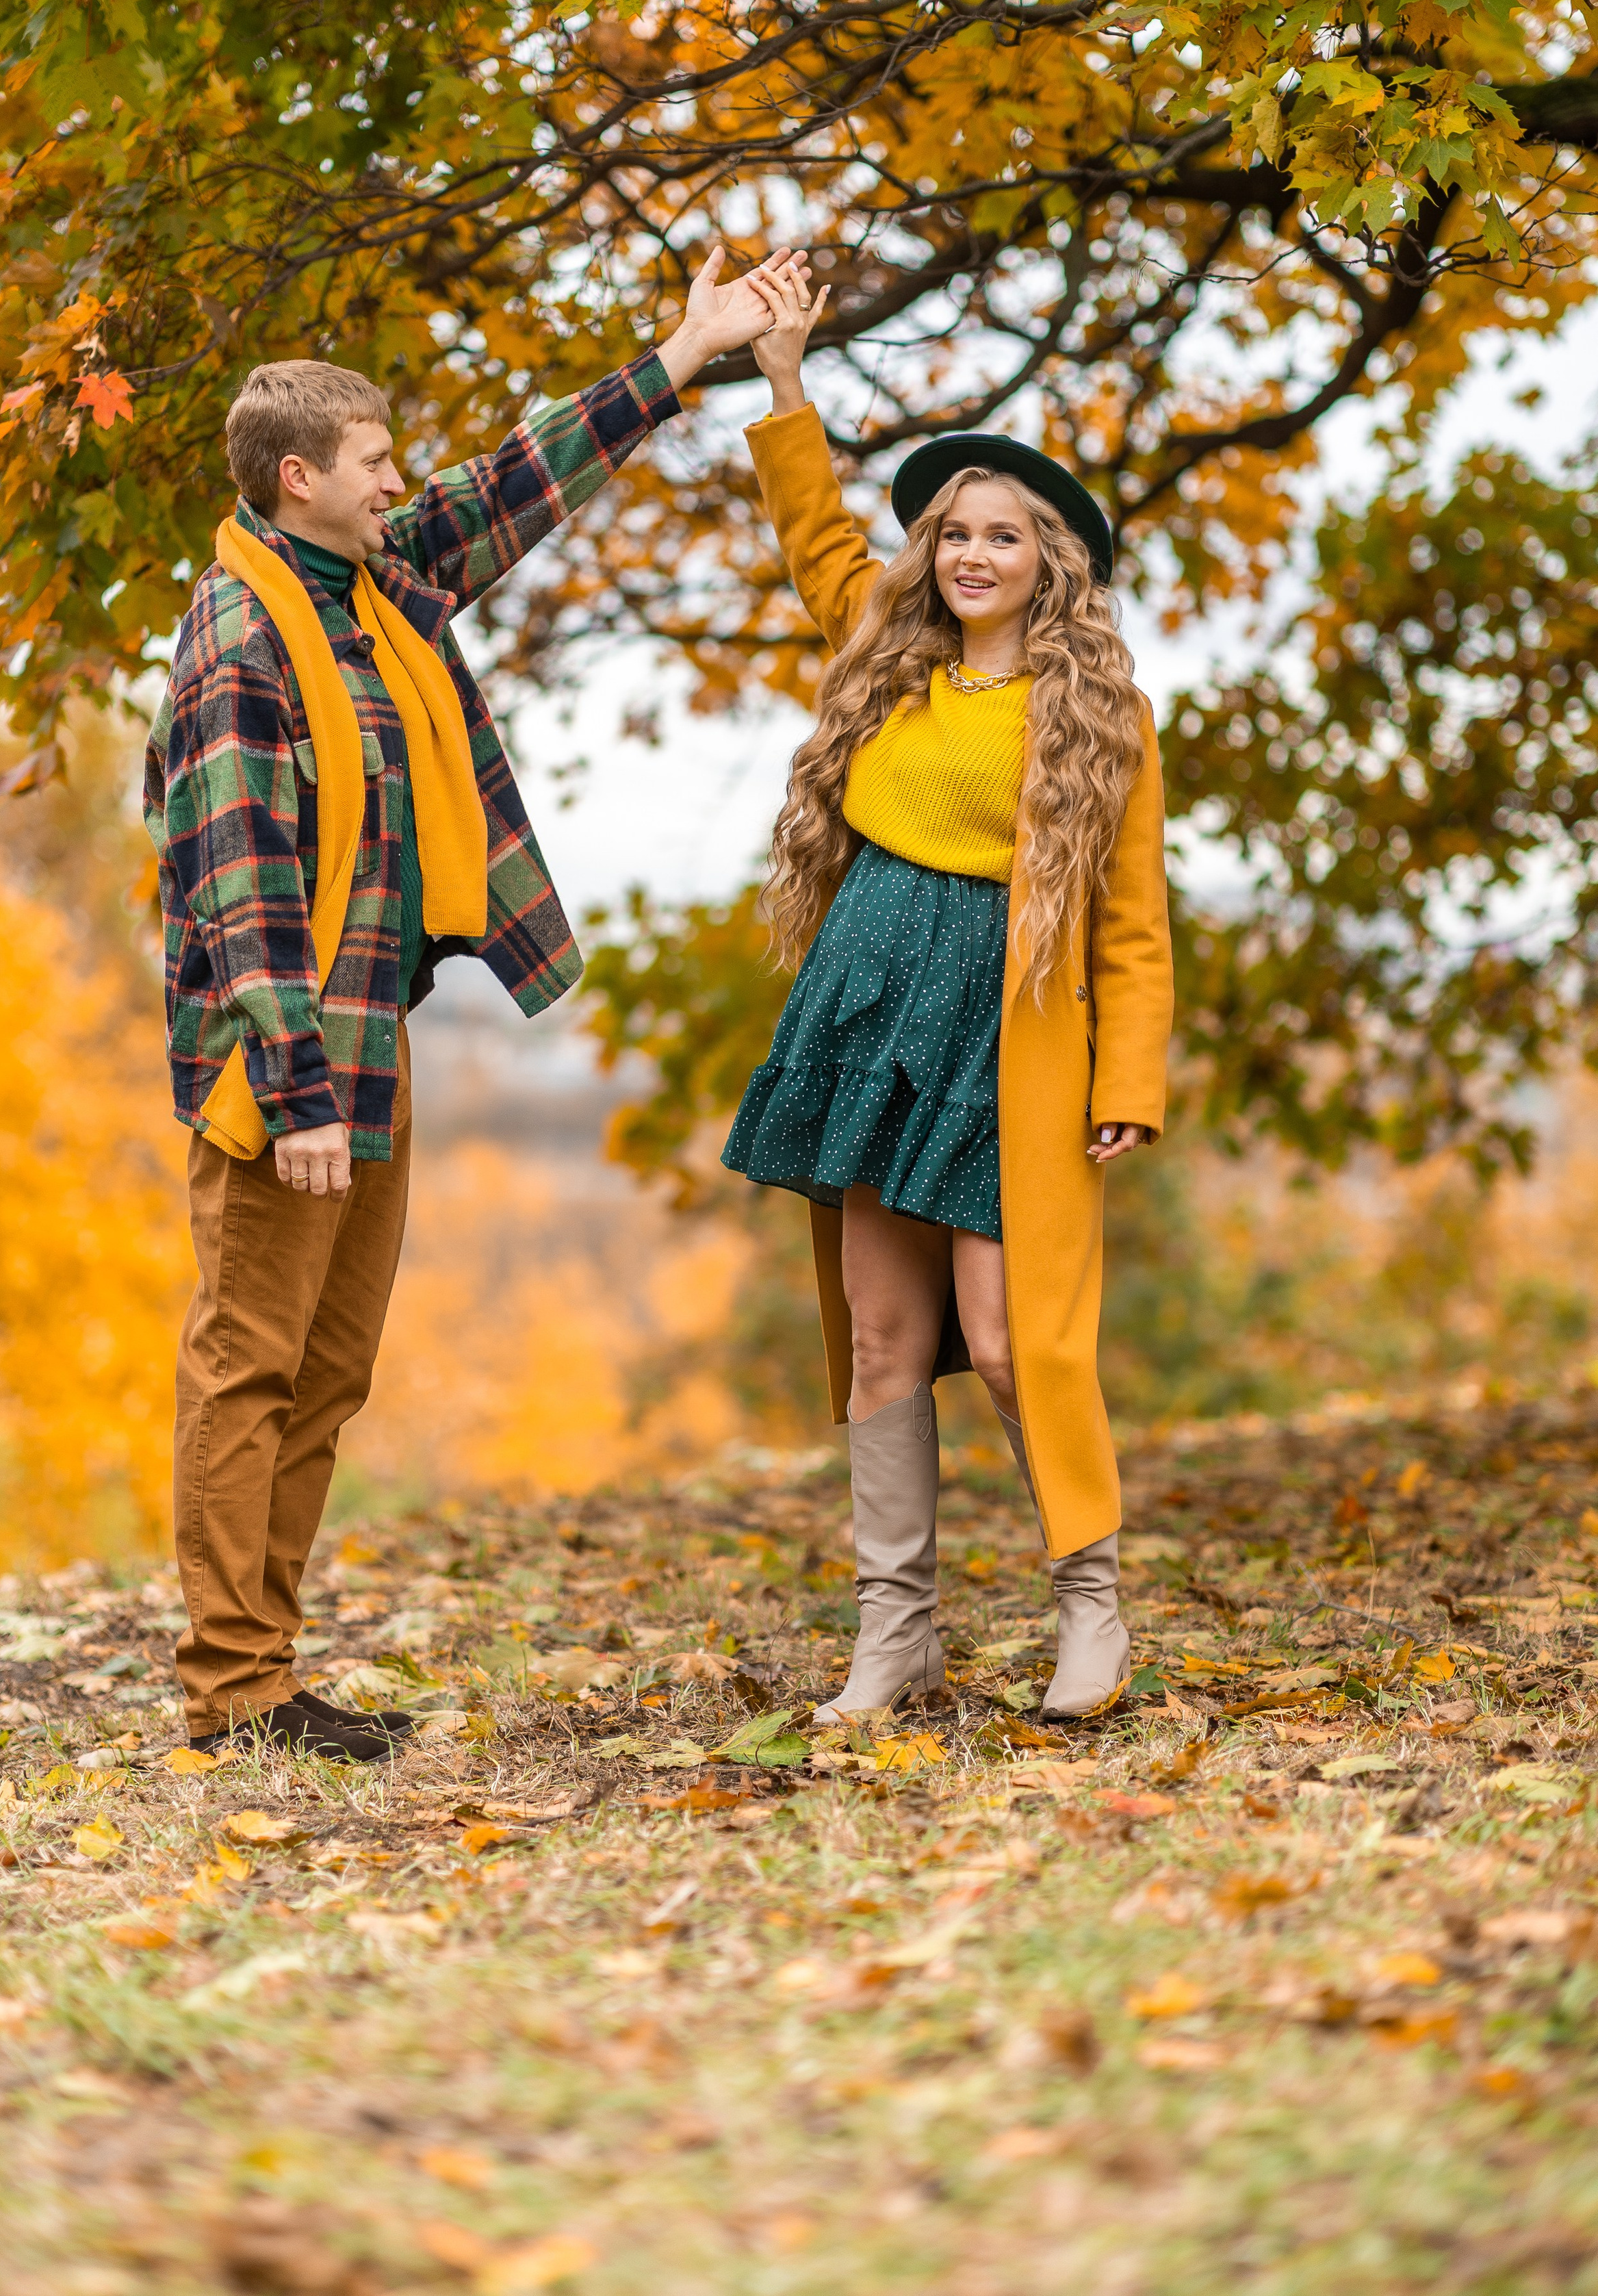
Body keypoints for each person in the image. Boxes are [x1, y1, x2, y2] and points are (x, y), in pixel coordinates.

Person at [144, 246, 804, 1759]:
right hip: (286, 1067)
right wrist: (298, 1096)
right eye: (376, 463)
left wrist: (687, 352)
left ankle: (266, 1675)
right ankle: (231, 1688)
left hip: (367, 1038)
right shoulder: (243, 637)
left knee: (329, 1369)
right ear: (300, 477)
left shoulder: (374, 587)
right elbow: (237, 883)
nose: (400, 483)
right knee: (250, 1365)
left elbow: (514, 484)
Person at [723, 258, 1172, 1722]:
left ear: (1049, 562)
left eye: (1003, 536)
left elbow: (1133, 923)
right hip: (869, 1023)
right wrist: (782, 379)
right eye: (955, 533)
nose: (974, 555)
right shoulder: (887, 657)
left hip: (1006, 1038)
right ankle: (895, 1641)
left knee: (1009, 1336)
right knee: (883, 1338)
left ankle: (1090, 1611)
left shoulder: (1098, 713)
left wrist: (1128, 1080)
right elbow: (813, 533)